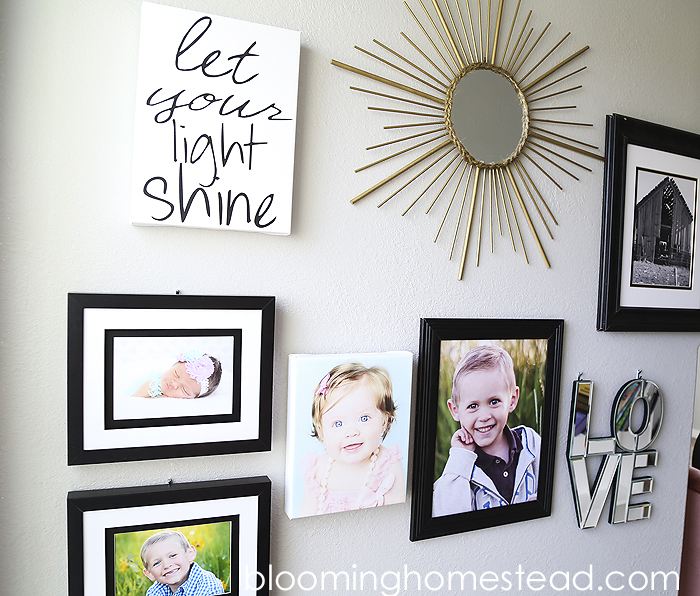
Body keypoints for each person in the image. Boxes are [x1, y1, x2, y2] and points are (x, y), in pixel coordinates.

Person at [433, 344, 540, 517]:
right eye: (473, 406)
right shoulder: (461, 466)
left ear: (512, 399)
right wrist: (460, 457)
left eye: (494, 401)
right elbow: (444, 514)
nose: (484, 416)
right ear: (455, 410)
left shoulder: (531, 443)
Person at [299, 362, 405, 516]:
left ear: (384, 421)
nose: (351, 432)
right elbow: (305, 517)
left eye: (363, 418)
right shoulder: (317, 470)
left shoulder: (388, 466)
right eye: (338, 423)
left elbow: (395, 519)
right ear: (321, 431)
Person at [140, 530, 224, 595]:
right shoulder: (155, 591)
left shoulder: (208, 587)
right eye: (157, 563)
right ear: (149, 573)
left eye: (172, 556)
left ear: (190, 554)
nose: (166, 565)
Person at [132, 350, 222, 399]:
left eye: (184, 390)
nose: (174, 384)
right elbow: (135, 402)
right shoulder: (151, 386)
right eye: (176, 374)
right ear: (173, 365)